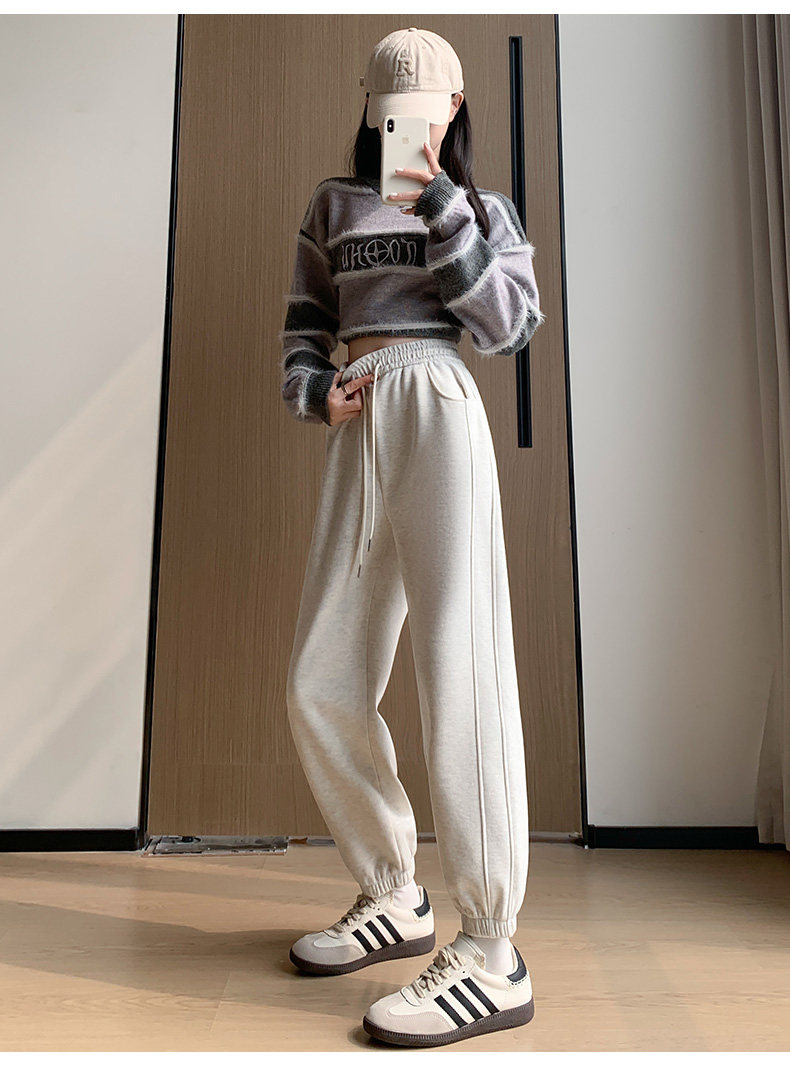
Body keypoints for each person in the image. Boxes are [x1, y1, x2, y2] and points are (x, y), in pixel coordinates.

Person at [279, 26, 544, 1048]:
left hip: (438, 401)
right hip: (361, 414)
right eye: (389, 110)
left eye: (422, 111)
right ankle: (394, 888)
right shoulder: (332, 205)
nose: (403, 127)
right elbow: (305, 320)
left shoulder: (479, 208)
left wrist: (439, 204)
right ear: (368, 106)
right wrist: (314, 390)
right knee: (321, 677)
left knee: (459, 671)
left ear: (454, 109)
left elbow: (508, 327)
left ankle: (491, 947)